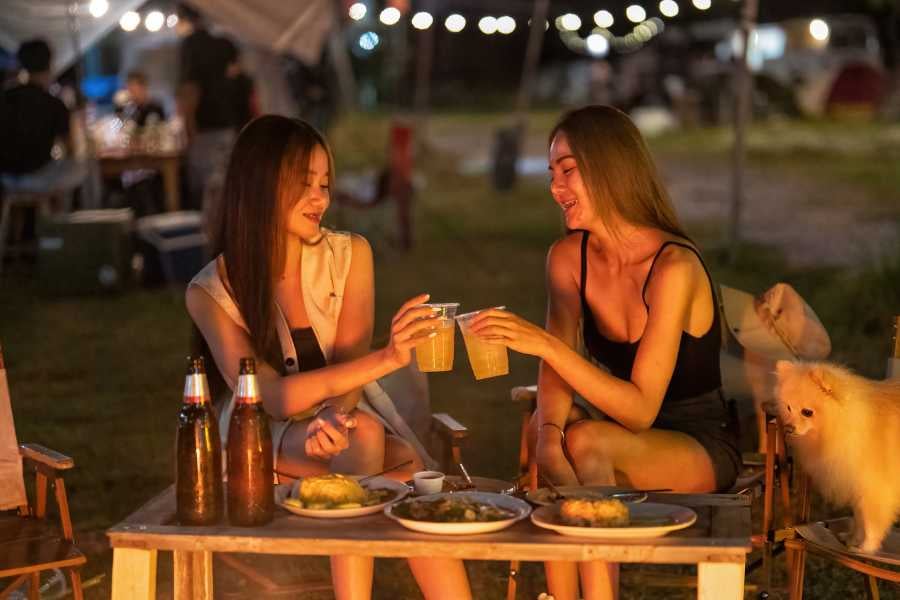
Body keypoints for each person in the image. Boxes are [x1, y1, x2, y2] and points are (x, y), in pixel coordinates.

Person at [187, 115, 471, 600]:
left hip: (339, 416)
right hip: (255, 438)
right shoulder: (211, 290)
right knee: (369, 444)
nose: (321, 198)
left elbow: (348, 373)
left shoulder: (350, 255)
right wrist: (390, 358)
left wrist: (333, 421)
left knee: (410, 478)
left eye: (325, 183)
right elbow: (270, 397)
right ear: (260, 186)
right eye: (305, 185)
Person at [468, 105, 740, 600]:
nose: (555, 188)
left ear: (611, 168)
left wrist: (546, 343)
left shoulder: (673, 266)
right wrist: (548, 434)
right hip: (618, 429)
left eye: (568, 171)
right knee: (549, 429)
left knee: (590, 441)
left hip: (694, 440)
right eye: (552, 173)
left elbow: (638, 410)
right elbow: (556, 376)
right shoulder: (568, 258)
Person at [0, 39, 87, 201]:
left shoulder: (5, 97)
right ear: (50, 65)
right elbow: (70, 150)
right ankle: (59, 216)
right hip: (38, 177)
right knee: (81, 168)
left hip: (5, 177)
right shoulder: (54, 104)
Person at [175, 3, 236, 210]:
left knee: (204, 191)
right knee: (226, 185)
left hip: (204, 126)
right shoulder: (224, 43)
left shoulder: (190, 45)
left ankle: (209, 236)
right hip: (227, 120)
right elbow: (235, 75)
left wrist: (188, 126)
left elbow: (190, 88)